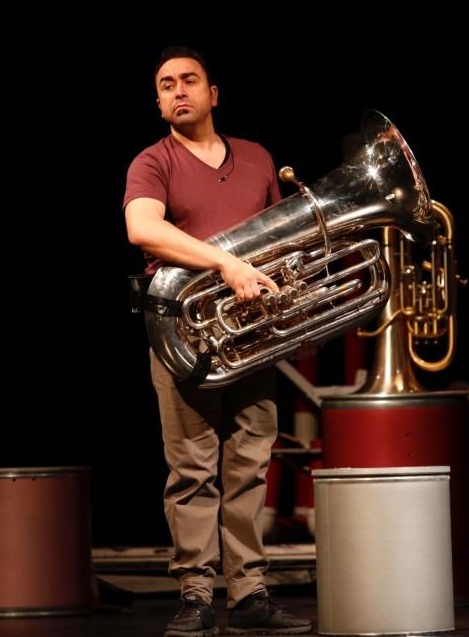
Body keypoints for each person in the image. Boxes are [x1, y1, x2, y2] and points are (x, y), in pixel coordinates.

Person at [123, 46, 312, 636]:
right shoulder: (152, 162)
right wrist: (226, 263)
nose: (178, 90)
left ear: (213, 94)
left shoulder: (256, 158)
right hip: (181, 329)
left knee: (250, 463)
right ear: (158, 103)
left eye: (189, 80)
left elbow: (280, 238)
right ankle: (197, 595)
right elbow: (142, 229)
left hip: (249, 334)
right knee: (191, 466)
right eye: (166, 85)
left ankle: (250, 593)